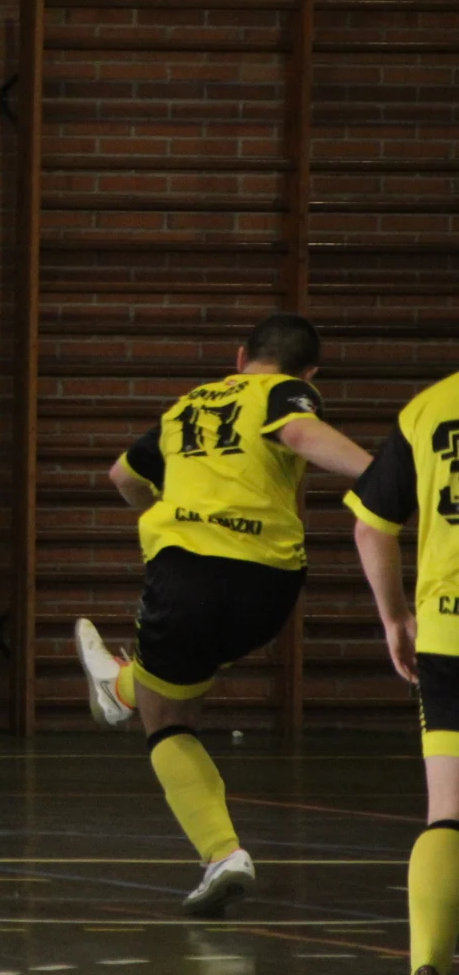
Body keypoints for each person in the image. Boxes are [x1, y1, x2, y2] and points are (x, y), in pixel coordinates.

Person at [71, 313, 371, 916]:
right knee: (188, 667)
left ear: (240, 357)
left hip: (187, 573)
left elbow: (122, 476)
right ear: (311, 372)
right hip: (271, 586)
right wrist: (381, 474)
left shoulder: (188, 408)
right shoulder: (289, 391)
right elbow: (301, 434)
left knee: (167, 721)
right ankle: (121, 687)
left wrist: (164, 510)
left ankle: (222, 853)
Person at [345, 369, 459, 975]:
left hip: (447, 633)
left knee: (448, 813)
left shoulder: (428, 407)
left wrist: (395, 619)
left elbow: (371, 526)